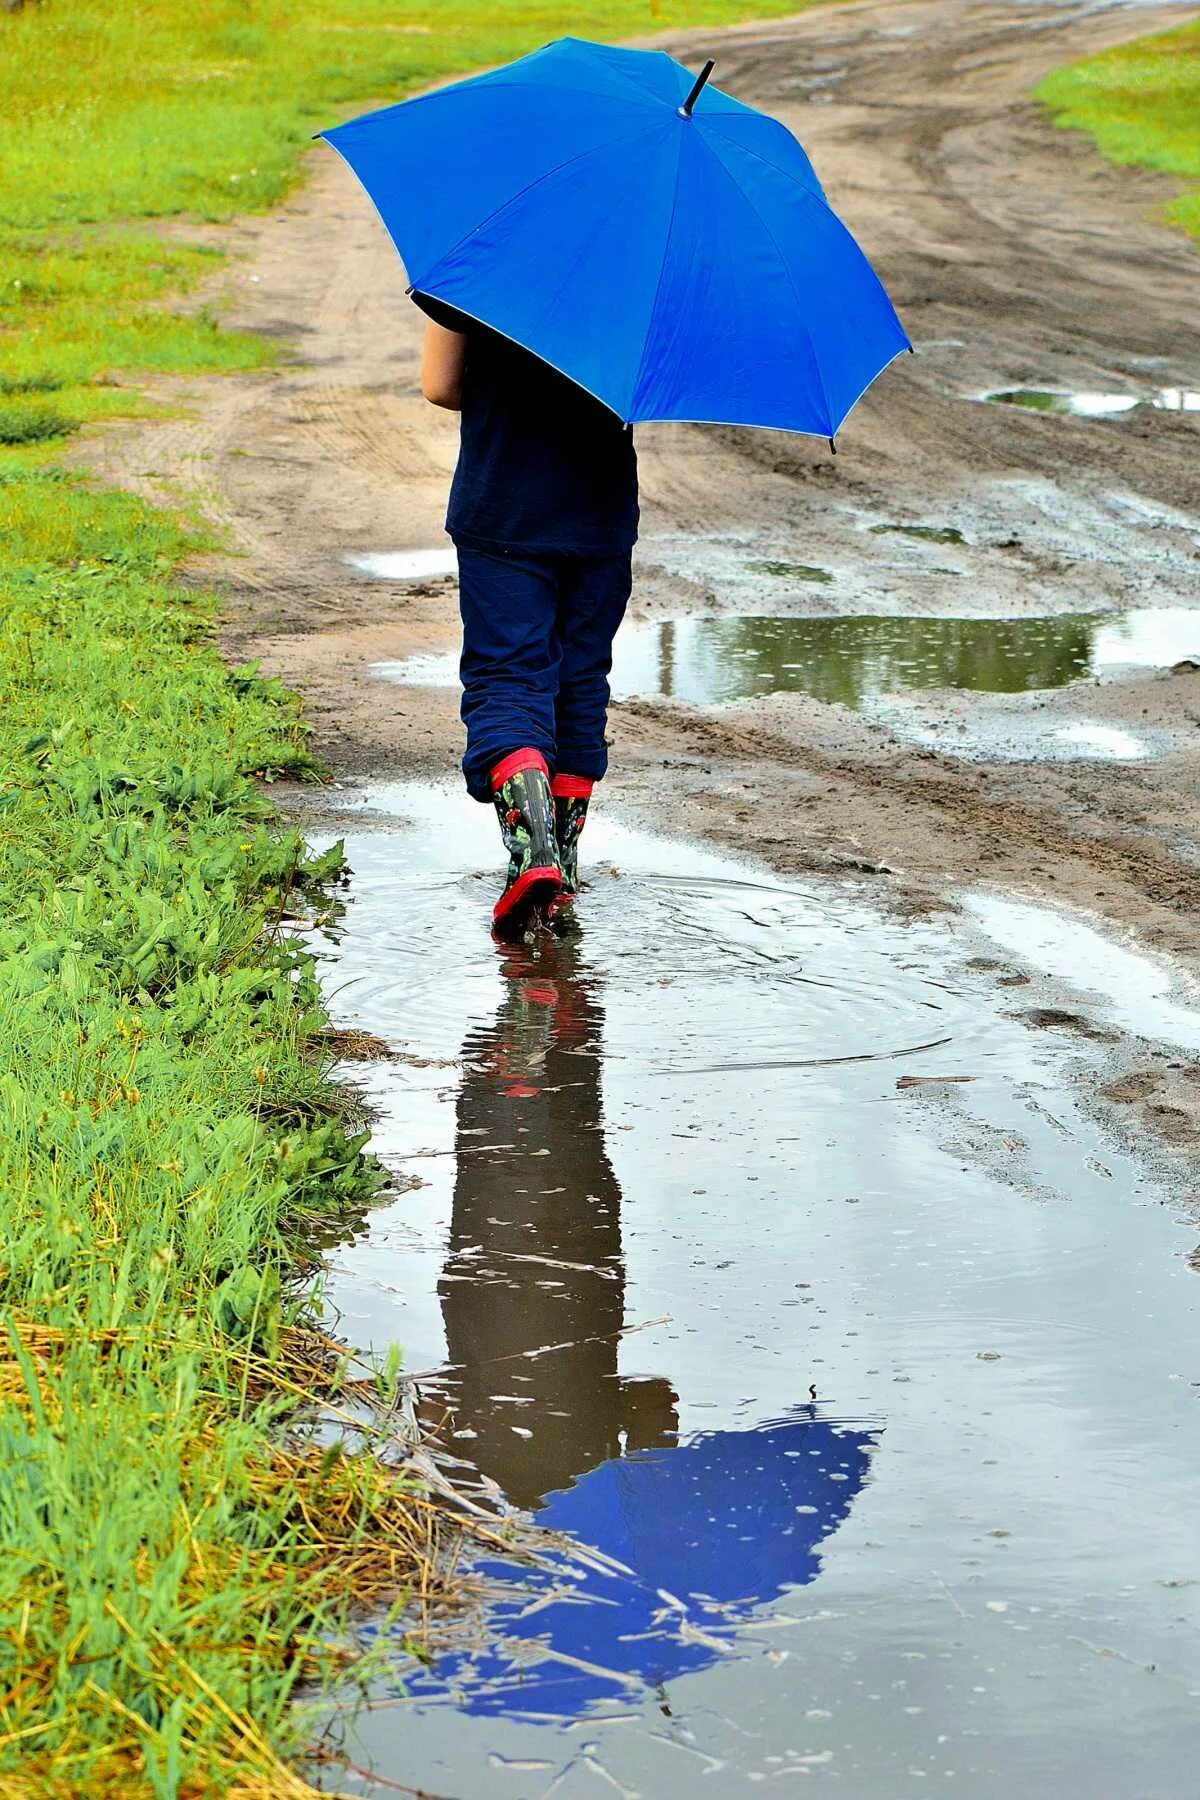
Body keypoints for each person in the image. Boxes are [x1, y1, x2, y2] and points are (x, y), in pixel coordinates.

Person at [416, 294, 639, 934]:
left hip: (503, 508)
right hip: (600, 518)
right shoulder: (645, 256)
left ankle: (532, 852)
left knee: (509, 678)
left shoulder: (487, 251)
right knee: (579, 684)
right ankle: (560, 872)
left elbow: (440, 385)